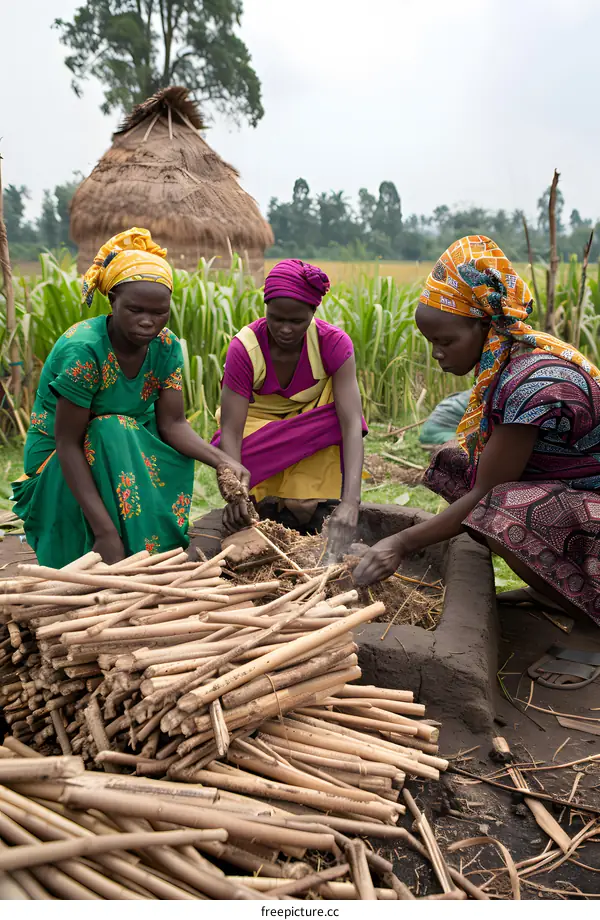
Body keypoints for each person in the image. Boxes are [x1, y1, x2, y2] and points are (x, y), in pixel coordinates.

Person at [354, 235, 600, 625]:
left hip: (593, 512)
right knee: (454, 464)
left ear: (484, 324)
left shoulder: (533, 381)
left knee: (500, 509)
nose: (437, 353)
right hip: (575, 497)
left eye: (445, 341)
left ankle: (583, 610)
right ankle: (551, 588)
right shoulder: (507, 364)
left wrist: (400, 544)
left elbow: (488, 494)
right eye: (431, 343)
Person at [12, 228, 249, 568]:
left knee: (131, 434)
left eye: (160, 312)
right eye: (135, 310)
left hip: (122, 447)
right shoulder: (85, 350)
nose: (148, 322)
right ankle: (111, 543)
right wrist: (105, 531)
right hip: (61, 465)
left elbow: (174, 423)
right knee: (111, 428)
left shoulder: (166, 347)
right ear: (113, 302)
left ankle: (146, 552)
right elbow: (66, 443)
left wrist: (223, 461)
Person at [212, 258, 366, 552]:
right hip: (258, 427)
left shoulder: (332, 344)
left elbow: (350, 424)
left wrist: (351, 502)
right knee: (232, 454)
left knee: (339, 420)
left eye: (296, 321)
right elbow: (231, 430)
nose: (284, 329)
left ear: (313, 312)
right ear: (266, 308)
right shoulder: (245, 348)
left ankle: (307, 506)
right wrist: (234, 495)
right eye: (276, 318)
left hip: (310, 421)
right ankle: (257, 507)